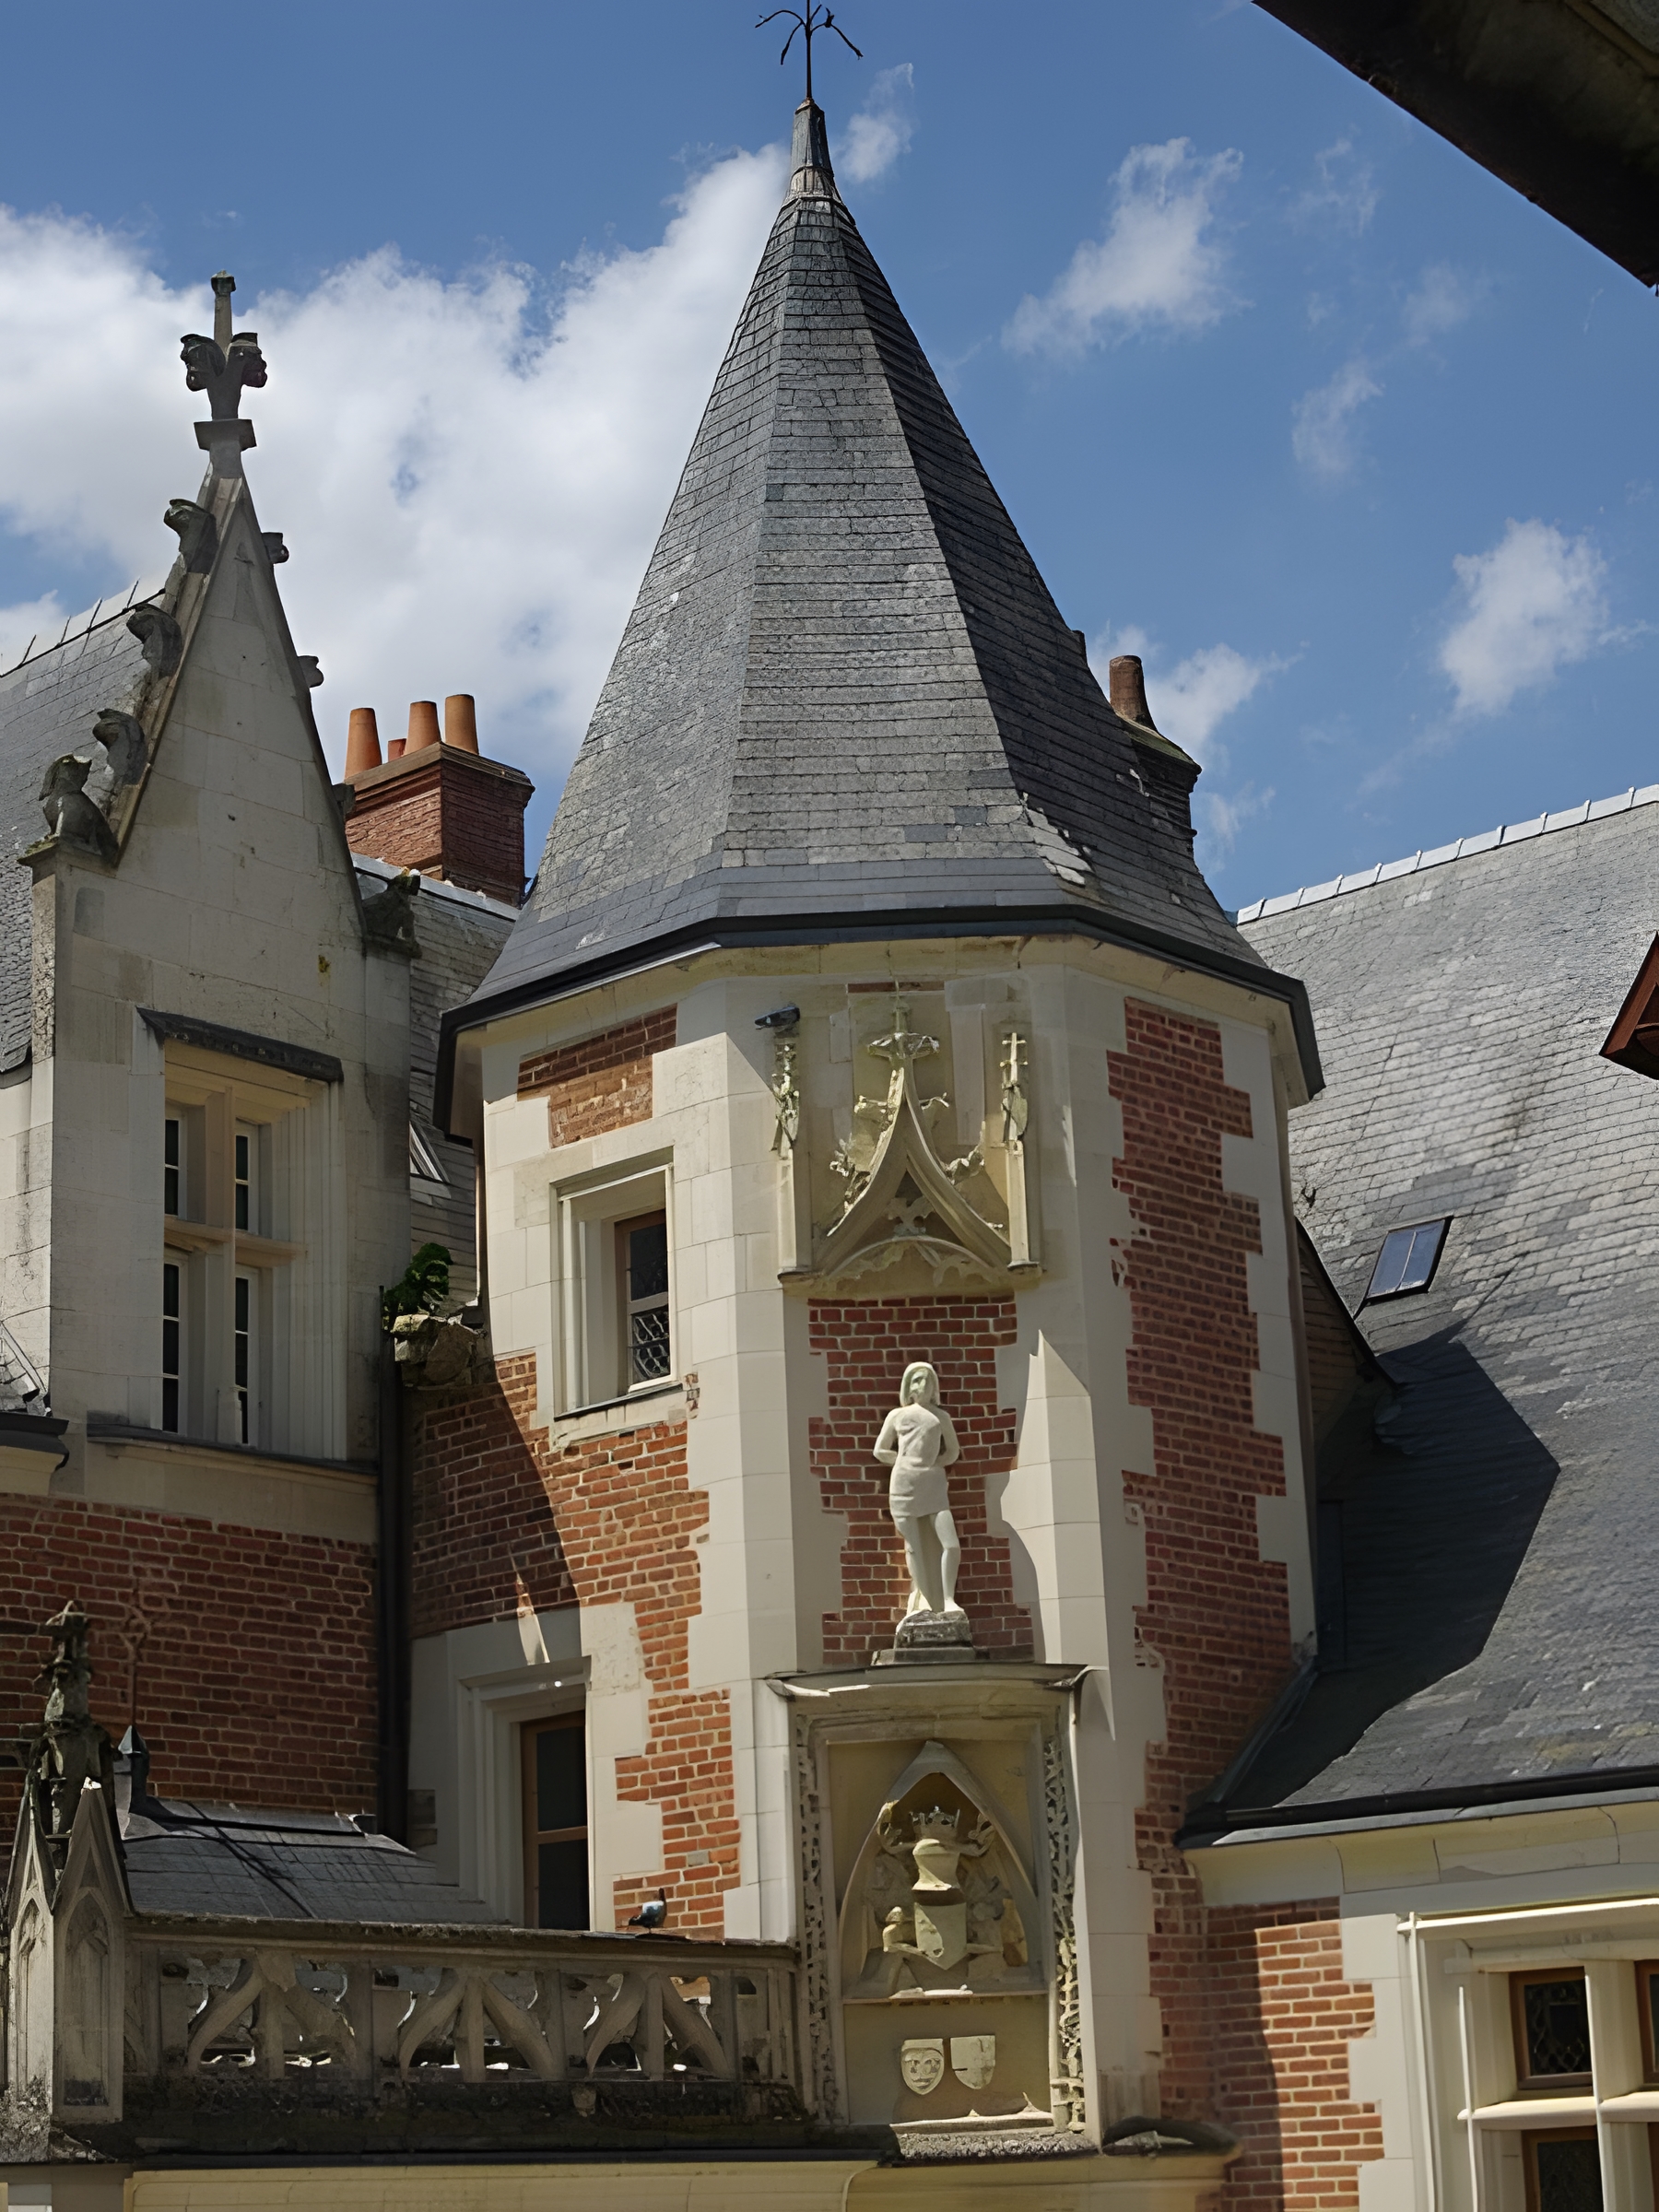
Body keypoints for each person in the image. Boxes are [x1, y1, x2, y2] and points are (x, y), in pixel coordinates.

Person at [873, 1361, 962, 1618]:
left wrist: (934, 1466)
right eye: (915, 1380)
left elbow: (953, 1451)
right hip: (904, 1484)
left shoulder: (941, 1417)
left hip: (932, 1484)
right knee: (913, 1547)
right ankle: (923, 1602)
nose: (921, 1385)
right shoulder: (897, 1416)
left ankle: (948, 1600)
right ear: (908, 1387)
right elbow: (880, 1449)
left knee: (951, 1545)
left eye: (925, 1380)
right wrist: (904, 1462)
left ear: (934, 1385)